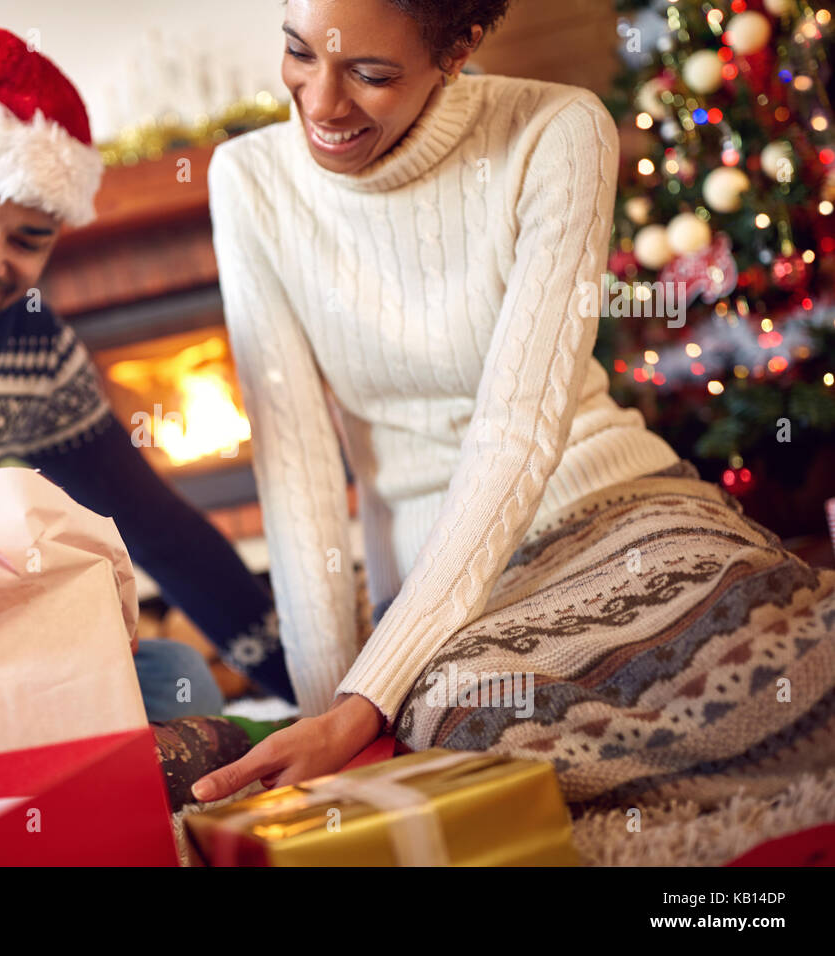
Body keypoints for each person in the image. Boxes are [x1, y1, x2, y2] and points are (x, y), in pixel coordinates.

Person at [192, 0, 835, 806]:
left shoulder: (557, 130)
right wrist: (338, 716)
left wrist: (360, 707)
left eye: (370, 74)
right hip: (437, 590)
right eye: (299, 53)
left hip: (614, 505)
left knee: (782, 658)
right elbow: (298, 478)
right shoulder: (250, 180)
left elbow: (516, 434)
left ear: (456, 49)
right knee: (515, 761)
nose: (320, 103)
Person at [0, 26, 296, 714]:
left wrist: (323, 694)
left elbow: (158, 528)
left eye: (27, 240)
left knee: (174, 677)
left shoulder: (37, 357)